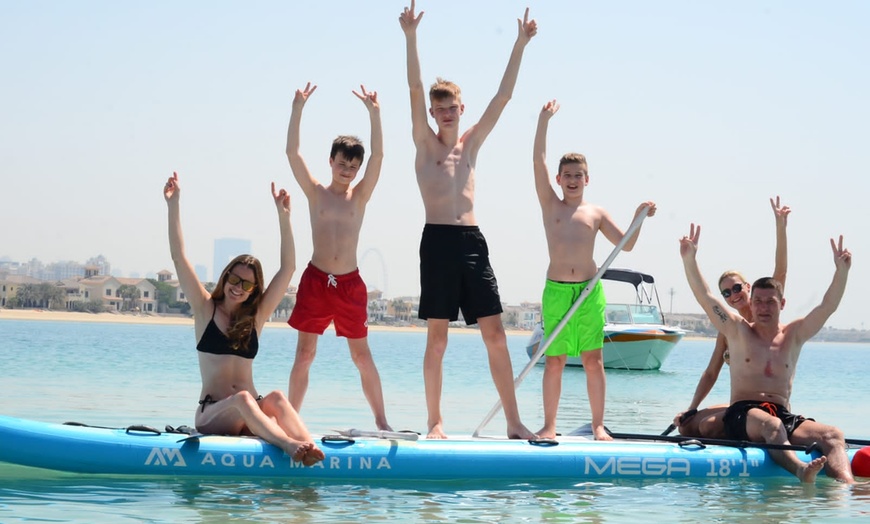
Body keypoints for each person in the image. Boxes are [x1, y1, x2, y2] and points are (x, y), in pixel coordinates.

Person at [399, 0, 537, 439]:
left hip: (472, 242)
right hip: (437, 242)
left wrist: (519, 43)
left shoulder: (471, 144)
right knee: (436, 339)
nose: (446, 113)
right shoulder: (424, 144)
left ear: (461, 108)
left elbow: (503, 97)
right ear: (433, 114)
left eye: (452, 107)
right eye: (440, 108)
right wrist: (411, 37)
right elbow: (415, 88)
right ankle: (435, 422)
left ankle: (514, 423)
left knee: (495, 334)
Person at [163, 171, 324, 466]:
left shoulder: (256, 318)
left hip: (251, 416)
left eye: (247, 285)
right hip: (214, 415)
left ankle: (311, 448)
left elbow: (288, 268)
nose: (238, 288)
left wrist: (284, 217)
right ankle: (290, 445)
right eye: (235, 279)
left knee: (274, 396)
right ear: (225, 277)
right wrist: (174, 205)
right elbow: (178, 257)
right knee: (243, 399)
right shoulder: (205, 309)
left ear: (254, 291)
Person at [679, 223, 854, 483]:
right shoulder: (737, 331)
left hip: (782, 414)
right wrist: (689, 259)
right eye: (757, 301)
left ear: (781, 303)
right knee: (771, 426)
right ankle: (800, 470)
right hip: (743, 414)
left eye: (770, 301)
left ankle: (847, 489)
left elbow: (827, 306)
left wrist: (841, 272)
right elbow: (705, 297)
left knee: (833, 435)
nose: (762, 307)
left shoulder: (794, 334)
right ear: (751, 302)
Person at [532, 100, 656, 441]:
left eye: (578, 175)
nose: (572, 180)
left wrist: (638, 217)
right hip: (557, 292)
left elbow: (625, 244)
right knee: (554, 361)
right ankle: (549, 426)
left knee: (593, 361)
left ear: (587, 179)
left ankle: (599, 426)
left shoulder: (595, 213)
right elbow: (537, 161)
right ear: (558, 179)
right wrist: (543, 122)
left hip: (588, 292)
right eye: (567, 175)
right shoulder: (550, 204)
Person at [285, 83, 392, 431]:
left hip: (349, 284)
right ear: (331, 161)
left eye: (353, 165)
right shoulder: (315, 193)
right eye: (342, 162)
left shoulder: (359, 197)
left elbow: (378, 158)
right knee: (305, 354)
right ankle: (291, 420)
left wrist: (375, 115)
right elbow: (292, 153)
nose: (347, 169)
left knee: (362, 355)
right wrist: (298, 108)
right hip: (316, 281)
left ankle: (381, 421)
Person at [674, 197, 790, 438]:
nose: (733, 295)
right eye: (726, 292)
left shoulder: (766, 312)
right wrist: (692, 407)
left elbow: (781, 270)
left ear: (748, 287)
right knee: (686, 425)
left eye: (737, 288)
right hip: (741, 407)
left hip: (768, 409)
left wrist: (781, 227)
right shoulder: (729, 329)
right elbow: (711, 372)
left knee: (707, 427)